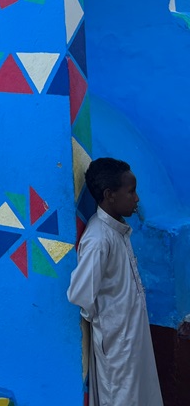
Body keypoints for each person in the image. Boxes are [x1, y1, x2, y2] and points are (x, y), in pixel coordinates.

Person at [67, 157, 163, 406]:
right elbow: (80, 294)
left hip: (131, 337)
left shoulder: (116, 230)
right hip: (117, 344)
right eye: (131, 192)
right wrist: (110, 322)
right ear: (109, 195)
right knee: (121, 398)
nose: (137, 198)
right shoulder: (99, 238)